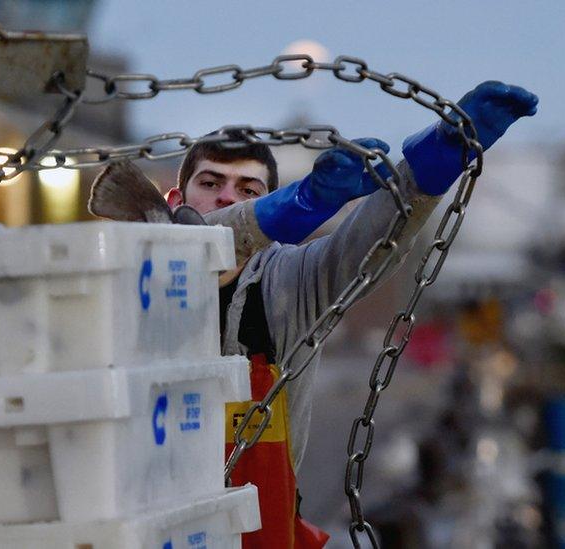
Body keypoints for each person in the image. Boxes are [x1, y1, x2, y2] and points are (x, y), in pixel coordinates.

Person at [164, 81, 538, 548]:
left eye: (248, 189)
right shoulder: (136, 271)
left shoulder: (289, 282)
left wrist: (437, 160)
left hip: (258, 531)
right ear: (175, 203)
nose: (227, 198)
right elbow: (198, 243)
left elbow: (368, 244)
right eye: (211, 183)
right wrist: (301, 202)